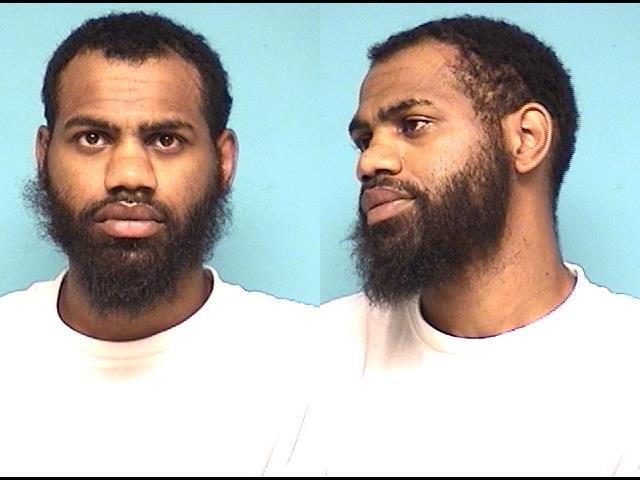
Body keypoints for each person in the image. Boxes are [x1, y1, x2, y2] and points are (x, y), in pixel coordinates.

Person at [303, 14, 640, 475]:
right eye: (364, 141)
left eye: (413, 124)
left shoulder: (628, 362)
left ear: (526, 139)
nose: (370, 162)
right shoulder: (318, 349)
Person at [0, 11, 315, 475]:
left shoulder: (310, 360)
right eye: (92, 138)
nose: (129, 175)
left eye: (165, 140)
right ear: (44, 156)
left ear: (223, 162)